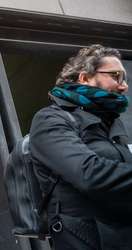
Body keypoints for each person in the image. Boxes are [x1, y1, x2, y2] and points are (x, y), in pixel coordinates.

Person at [29, 44, 131, 249]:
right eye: (117, 76)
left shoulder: (111, 122)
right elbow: (89, 174)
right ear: (85, 78)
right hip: (89, 240)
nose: (124, 86)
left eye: (125, 78)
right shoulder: (50, 118)